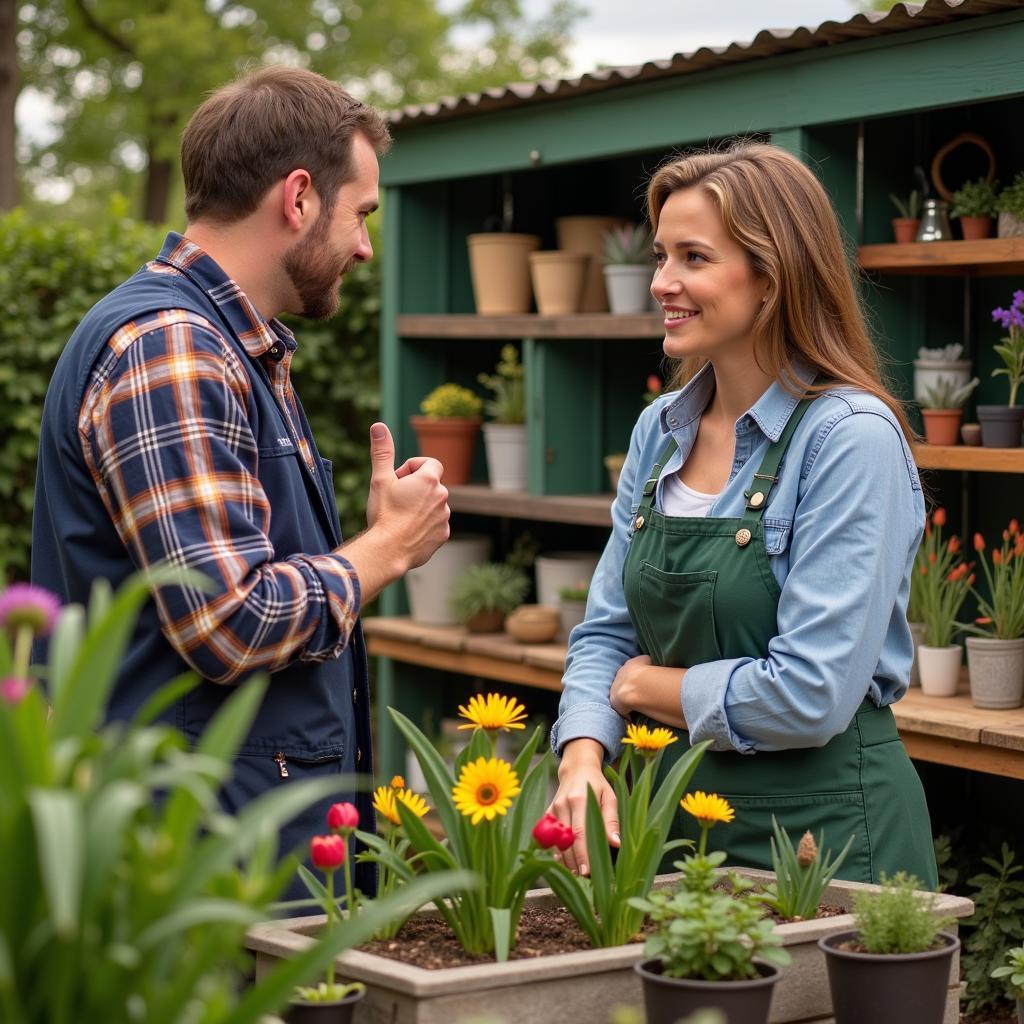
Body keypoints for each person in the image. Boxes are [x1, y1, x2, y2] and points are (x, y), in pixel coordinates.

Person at [31, 66, 450, 897]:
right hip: (197, 864)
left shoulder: (229, 343)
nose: (366, 246)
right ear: (298, 197)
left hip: (226, 842)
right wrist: (386, 549)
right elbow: (228, 620)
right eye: (360, 213)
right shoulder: (173, 347)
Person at [549, 142, 938, 889]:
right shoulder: (659, 429)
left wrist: (646, 691)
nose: (662, 282)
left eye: (693, 257)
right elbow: (604, 631)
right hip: (672, 829)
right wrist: (584, 754)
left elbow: (810, 693)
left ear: (772, 275)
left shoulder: (848, 438)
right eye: (661, 255)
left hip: (827, 843)